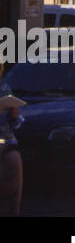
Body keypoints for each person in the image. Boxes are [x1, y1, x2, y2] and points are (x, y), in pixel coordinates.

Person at [0, 62, 23, 216]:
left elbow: (15, 124)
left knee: (15, 159)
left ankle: (15, 210)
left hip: (4, 138)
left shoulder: (4, 88)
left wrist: (14, 113)